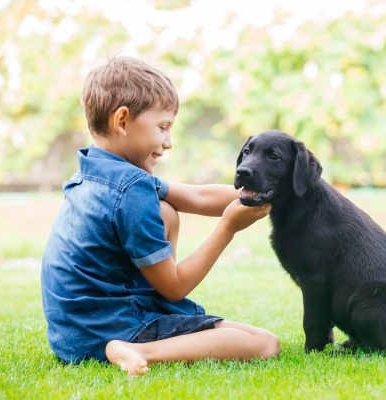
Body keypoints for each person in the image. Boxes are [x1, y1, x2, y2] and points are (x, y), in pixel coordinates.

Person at [41, 56, 279, 377]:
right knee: (265, 344)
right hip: (111, 329)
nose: (169, 142)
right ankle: (140, 351)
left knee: (167, 209)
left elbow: (198, 196)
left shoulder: (96, 171)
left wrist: (277, 194)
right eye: (162, 127)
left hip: (73, 335)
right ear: (122, 121)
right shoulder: (132, 189)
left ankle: (144, 340)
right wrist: (228, 227)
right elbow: (175, 288)